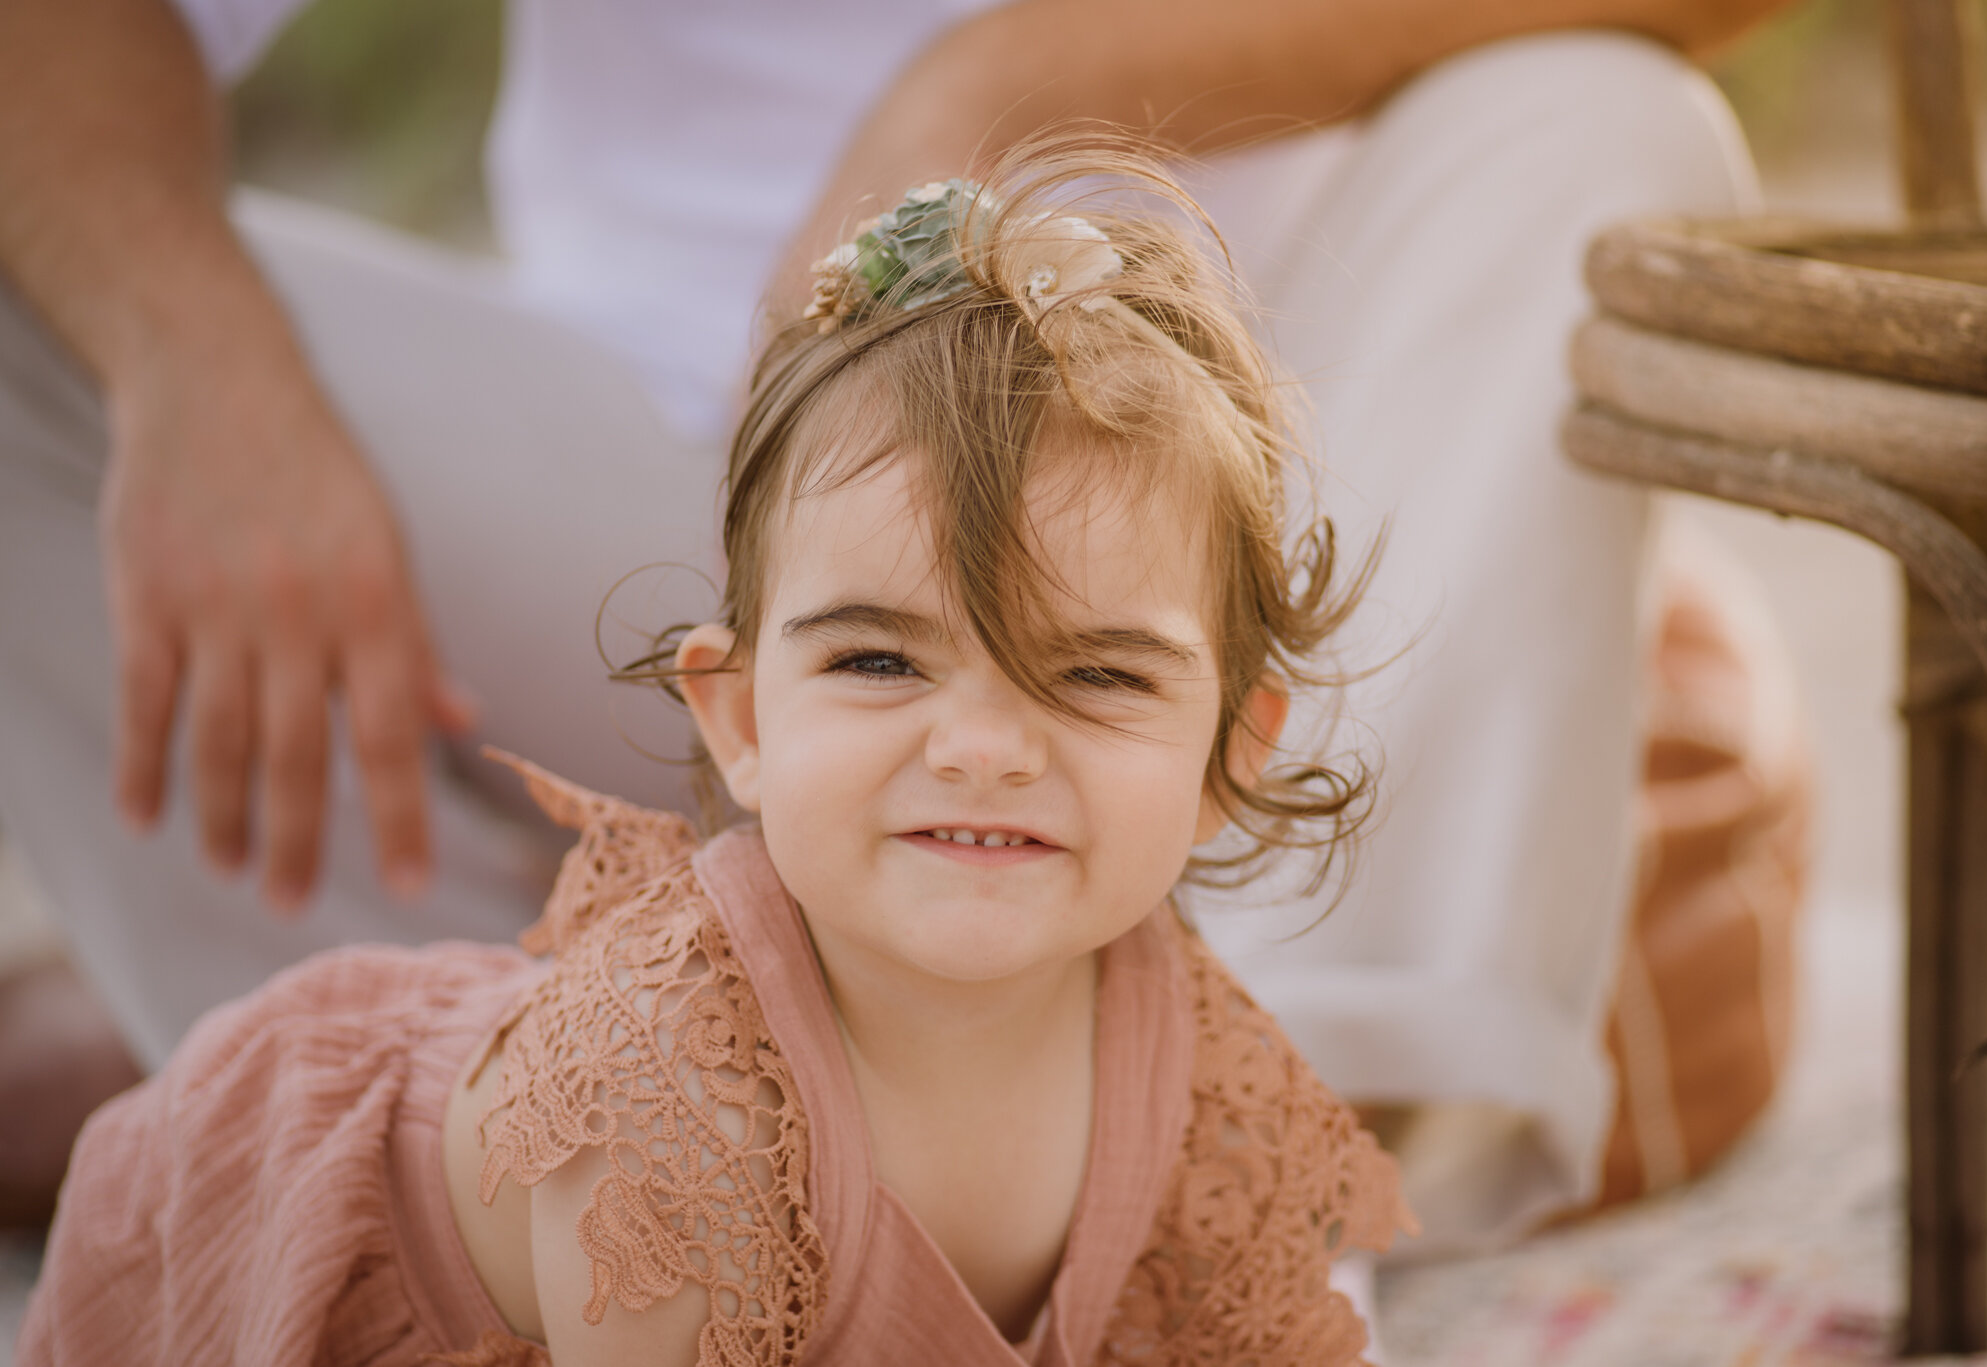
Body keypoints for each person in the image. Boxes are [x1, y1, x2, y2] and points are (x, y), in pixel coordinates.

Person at [0, 0, 1804, 1250]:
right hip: (674, 463)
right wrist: (197, 363)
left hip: (1239, 506)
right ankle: (496, 1134)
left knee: (1610, 112)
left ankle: (1242, 1170)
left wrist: (1020, 76)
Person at [24, 159, 1420, 1364]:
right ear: (742, 721)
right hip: (275, 1270)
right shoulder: (677, 1121)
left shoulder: (1188, 1062)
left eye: (1098, 674)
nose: (985, 749)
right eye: (880, 661)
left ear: (1232, 752)